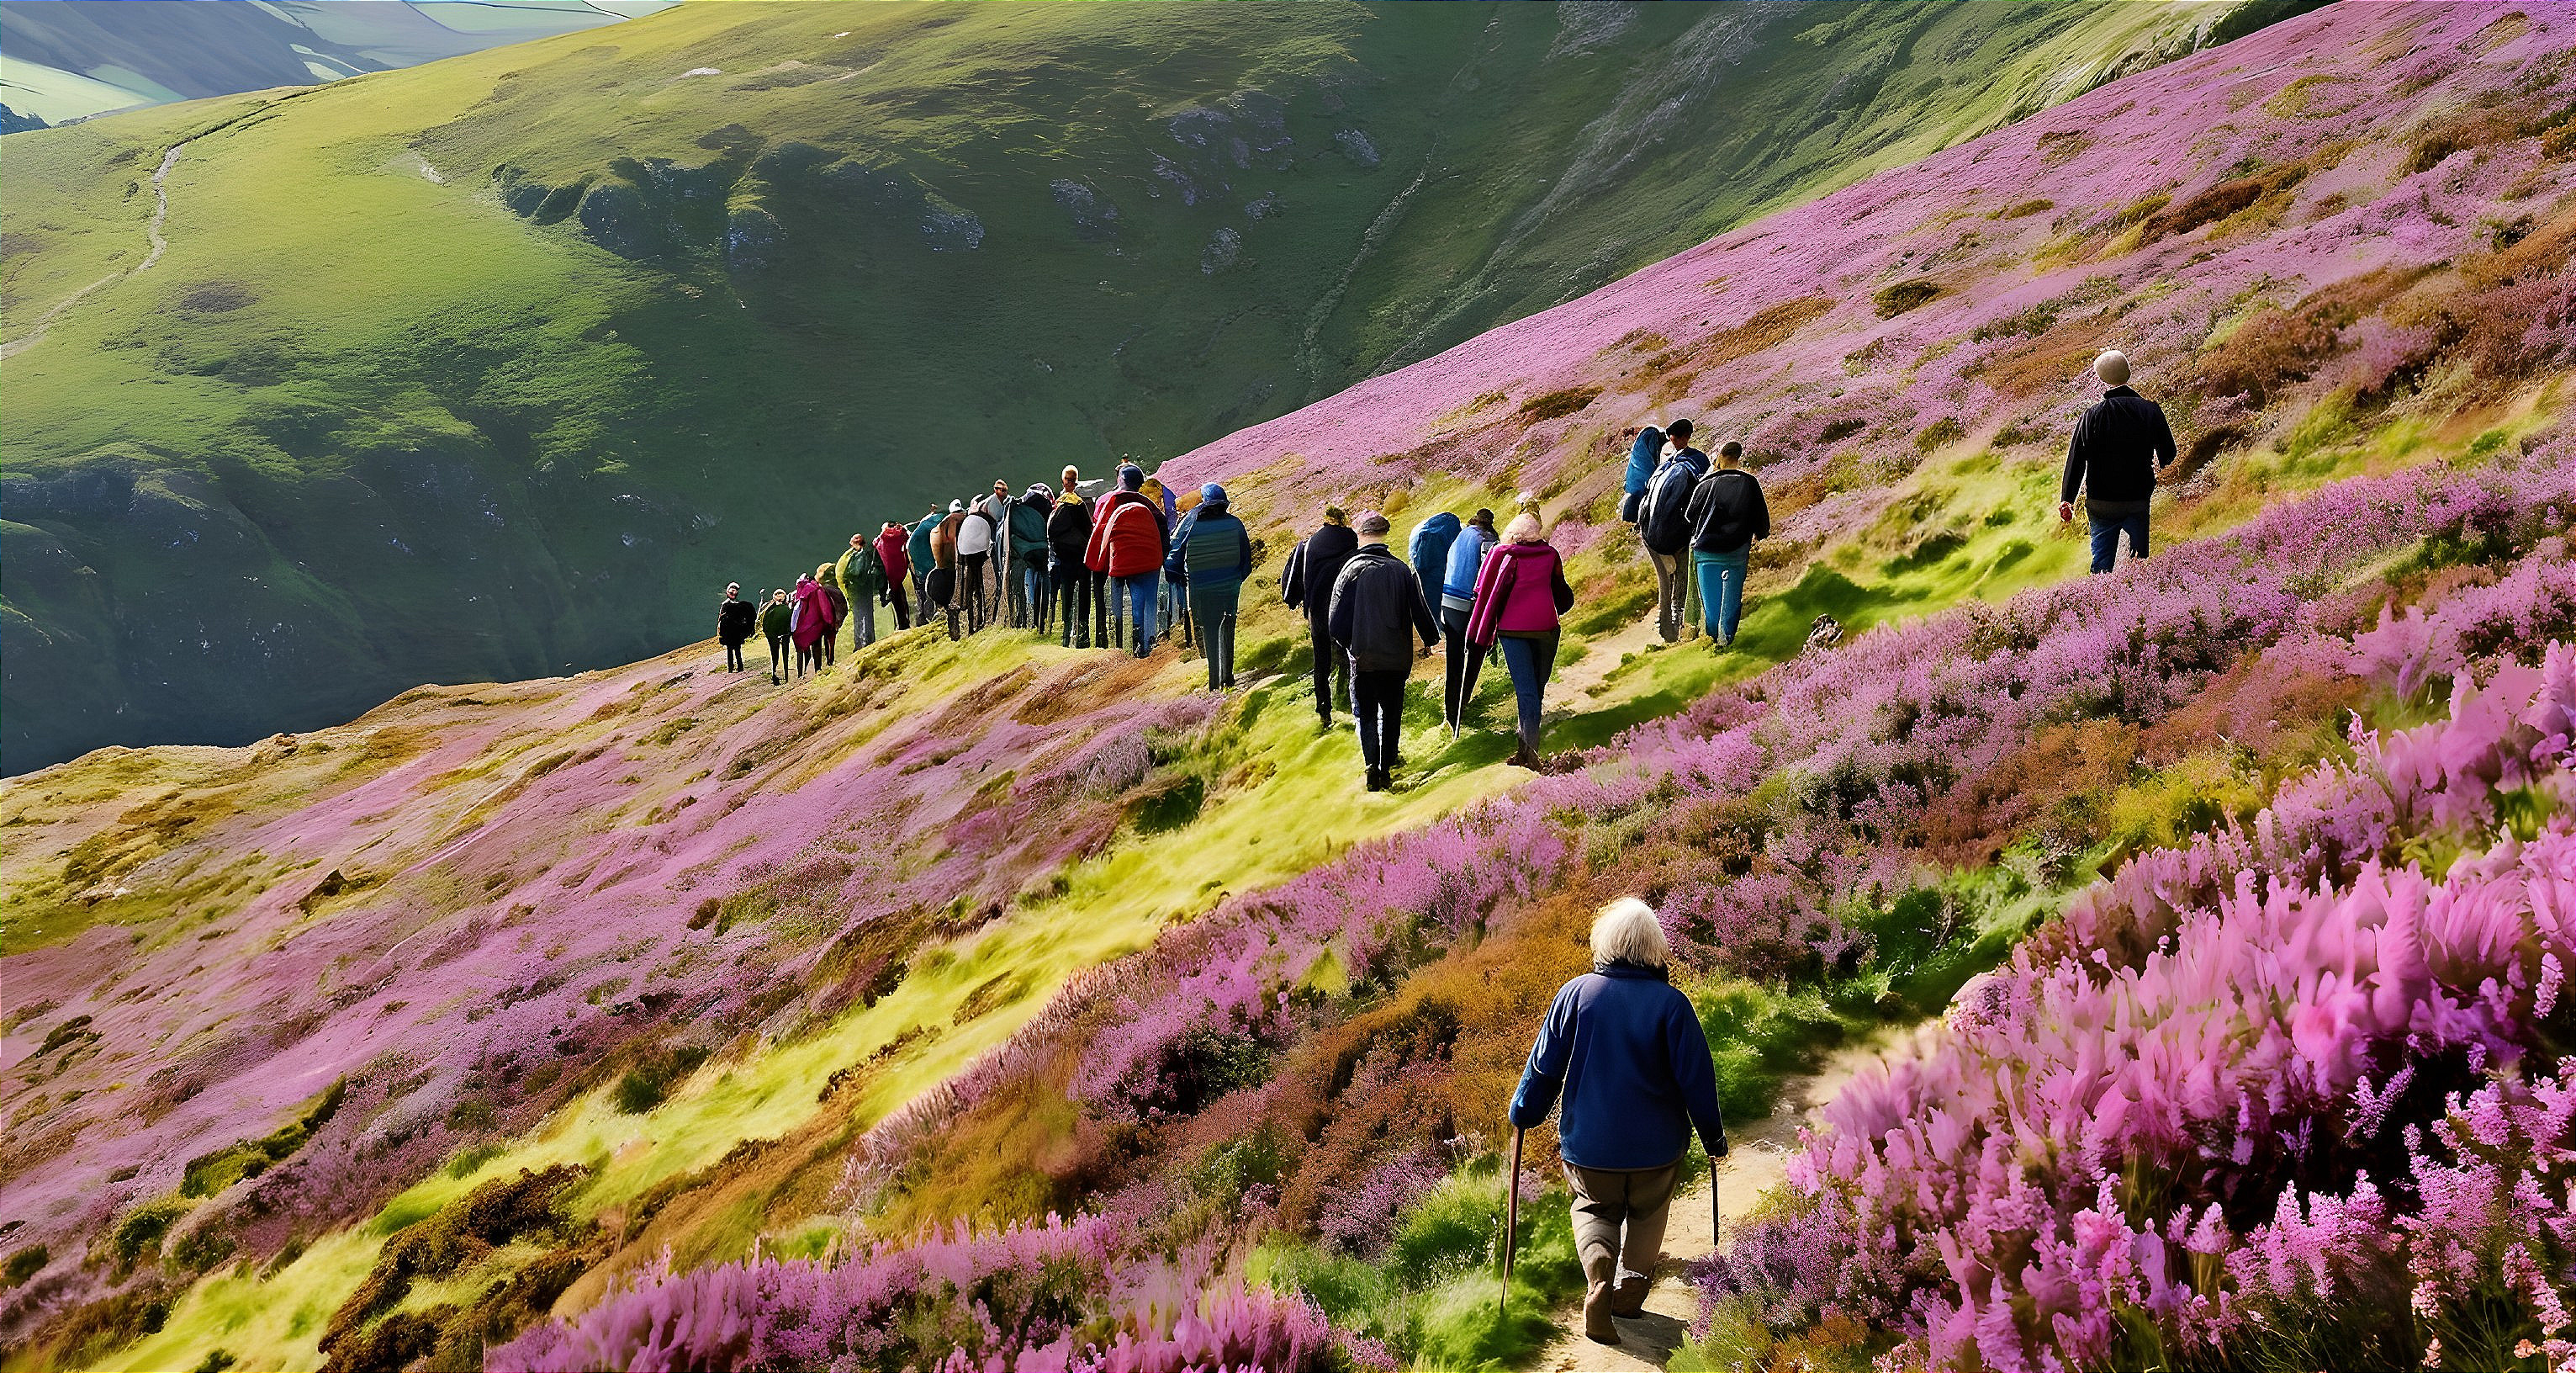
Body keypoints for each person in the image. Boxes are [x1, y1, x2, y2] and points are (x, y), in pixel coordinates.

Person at [1508, 898, 1728, 1344]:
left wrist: (1524, 1112)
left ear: (1604, 943)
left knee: (1594, 1210)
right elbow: (1697, 1080)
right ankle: (1628, 1297)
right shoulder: (1673, 1005)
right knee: (1648, 1216)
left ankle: (1598, 1282)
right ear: (1655, 948)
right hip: (1657, 1150)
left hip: (1590, 1148)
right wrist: (1713, 1138)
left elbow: (1545, 1067)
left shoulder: (1575, 995)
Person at [1327, 512, 1440, 793]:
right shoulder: (1401, 570)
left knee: (1366, 714)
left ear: (1362, 536)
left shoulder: (1350, 571)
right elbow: (1420, 610)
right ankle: (1388, 761)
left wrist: (1348, 645)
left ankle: (1371, 766)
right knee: (1392, 711)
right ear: (1385, 536)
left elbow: (1335, 621)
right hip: (1396, 656)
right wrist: (1430, 638)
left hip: (1364, 658)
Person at [1466, 512, 1574, 769]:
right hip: (1546, 628)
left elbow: (1484, 590)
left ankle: (1529, 753)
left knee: (1526, 691)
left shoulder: (1501, 555)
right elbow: (1563, 595)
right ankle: (1526, 750)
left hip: (1512, 630)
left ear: (1513, 535)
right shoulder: (1551, 556)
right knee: (1537, 688)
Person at [2060, 349, 2177, 574]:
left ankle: (2102, 601)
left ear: (2103, 379)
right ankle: (2139, 601)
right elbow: (2169, 455)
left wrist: (2067, 499)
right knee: (2139, 564)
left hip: (2101, 503)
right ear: (2128, 372)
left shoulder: (2091, 415)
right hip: (2137, 499)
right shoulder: (2150, 411)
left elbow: (2076, 459)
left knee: (2102, 566)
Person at [1683, 442, 1769, 649]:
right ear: (1738, 458)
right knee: (1731, 599)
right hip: (1736, 551)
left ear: (1720, 457)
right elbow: (1761, 518)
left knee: (1711, 604)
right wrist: (1760, 533)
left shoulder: (1705, 484)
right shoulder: (1750, 482)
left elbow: (1689, 516)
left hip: (1706, 552)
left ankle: (1713, 640)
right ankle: (1726, 640)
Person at [1168, 482, 1254, 690]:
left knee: (1209, 628)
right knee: (1228, 625)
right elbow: (1246, 562)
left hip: (1202, 585)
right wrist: (1236, 580)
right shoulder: (1235, 523)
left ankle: (1215, 680)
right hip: (1229, 585)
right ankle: (1228, 676)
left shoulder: (1192, 521)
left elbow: (1174, 554)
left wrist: (1178, 577)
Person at [1280, 506, 1358, 729]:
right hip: (1345, 610)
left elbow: (1295, 582)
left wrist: (1297, 602)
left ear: (1325, 521)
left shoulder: (1309, 544)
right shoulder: (1352, 540)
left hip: (1317, 613)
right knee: (1348, 658)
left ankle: (1324, 711)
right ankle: (1349, 703)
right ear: (1343, 520)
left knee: (1321, 663)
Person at [1086, 464, 1168, 657]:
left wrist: (1097, 563)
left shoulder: (1111, 502)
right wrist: (1162, 558)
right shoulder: (1147, 504)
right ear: (1140, 484)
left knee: (1117, 606)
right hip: (1149, 561)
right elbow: (1163, 526)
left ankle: (1122, 648)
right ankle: (1147, 645)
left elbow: (1100, 533)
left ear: (1120, 480)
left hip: (1120, 562)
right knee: (1147, 601)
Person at [1637, 419, 1707, 644]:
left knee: (1665, 579)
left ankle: (1665, 619)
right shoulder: (1697, 461)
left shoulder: (1662, 467)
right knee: (1683, 575)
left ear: (1673, 437)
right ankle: (1678, 620)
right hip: (1682, 532)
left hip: (1651, 532)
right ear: (1687, 435)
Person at [1437, 509, 1496, 737]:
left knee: (1453, 658)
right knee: (1477, 649)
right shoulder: (1486, 539)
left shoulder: (1461, 535)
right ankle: (1464, 701)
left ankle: (1451, 711)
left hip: (1448, 599)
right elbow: (1487, 573)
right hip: (1470, 602)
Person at [1049, 471, 1098, 648]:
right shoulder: (1081, 504)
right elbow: (1089, 529)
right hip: (1082, 556)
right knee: (1084, 593)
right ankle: (1084, 632)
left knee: (1067, 593)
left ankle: (1066, 631)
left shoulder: (1059, 505)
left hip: (1066, 557)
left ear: (1063, 481)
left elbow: (1051, 532)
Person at [1407, 510, 1462, 649]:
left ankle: (1435, 632)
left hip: (1425, 568)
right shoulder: (1454, 529)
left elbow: (1413, 554)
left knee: (1429, 600)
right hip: (1442, 567)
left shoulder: (1419, 530)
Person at [1012, 484, 1055, 634]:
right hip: (1043, 548)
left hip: (1025, 550)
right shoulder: (1047, 505)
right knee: (1044, 572)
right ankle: (1043, 613)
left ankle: (1030, 611)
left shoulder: (1022, 505)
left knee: (1030, 570)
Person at [956, 492, 997, 634]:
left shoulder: (969, 519)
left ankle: (971, 625)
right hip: (978, 554)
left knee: (971, 586)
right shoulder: (985, 519)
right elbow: (989, 540)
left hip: (967, 554)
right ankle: (980, 620)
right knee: (979, 587)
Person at [838, 533, 886, 651]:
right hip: (862, 589)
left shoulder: (862, 554)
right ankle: (863, 642)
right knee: (862, 616)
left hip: (860, 589)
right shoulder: (859, 553)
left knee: (862, 617)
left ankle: (863, 644)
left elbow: (857, 572)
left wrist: (848, 578)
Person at [930, 500, 964, 640]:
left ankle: (953, 632)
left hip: (943, 568)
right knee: (957, 599)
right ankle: (959, 630)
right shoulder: (963, 521)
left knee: (950, 601)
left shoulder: (938, 527)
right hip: (958, 567)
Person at [1620, 424, 1666, 524]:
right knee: (1639, 497)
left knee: (1633, 498)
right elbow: (1655, 457)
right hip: (1642, 478)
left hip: (1634, 477)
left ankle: (1629, 523)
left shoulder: (1644, 438)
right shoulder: (1652, 435)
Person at [874, 522, 913, 632]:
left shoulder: (882, 539)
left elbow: (875, 544)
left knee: (895, 598)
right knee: (902, 595)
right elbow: (908, 537)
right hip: (901, 569)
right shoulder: (901, 535)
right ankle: (907, 620)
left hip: (889, 572)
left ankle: (902, 624)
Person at [907, 506, 940, 613]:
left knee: (922, 585)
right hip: (923, 556)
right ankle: (930, 609)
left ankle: (923, 610)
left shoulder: (925, 521)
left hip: (916, 556)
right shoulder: (935, 521)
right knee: (929, 582)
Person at [717, 583, 755, 673]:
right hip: (732, 633)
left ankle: (735, 668)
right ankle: (736, 668)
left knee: (734, 650)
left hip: (733, 632)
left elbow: (721, 620)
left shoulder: (729, 605)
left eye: (735, 590)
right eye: (732, 590)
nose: (734, 592)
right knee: (734, 650)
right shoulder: (735, 604)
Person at [760, 589, 793, 683]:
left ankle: (776, 675)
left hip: (774, 636)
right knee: (784, 655)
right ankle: (784, 675)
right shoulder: (787, 609)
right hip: (784, 635)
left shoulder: (769, 610)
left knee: (775, 655)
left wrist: (769, 635)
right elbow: (791, 623)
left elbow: (765, 624)